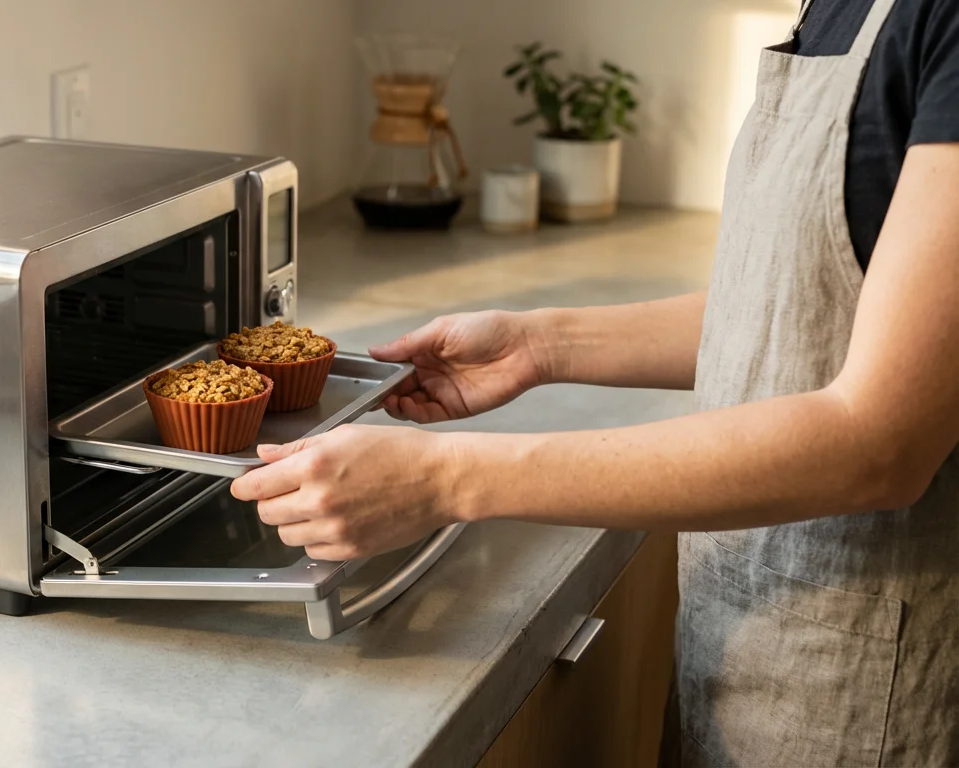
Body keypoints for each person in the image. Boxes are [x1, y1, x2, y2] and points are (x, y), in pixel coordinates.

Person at [229, 0, 959, 764]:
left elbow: (882, 440)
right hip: (762, 645)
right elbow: (799, 307)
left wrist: (446, 480)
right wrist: (541, 344)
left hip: (875, 689)